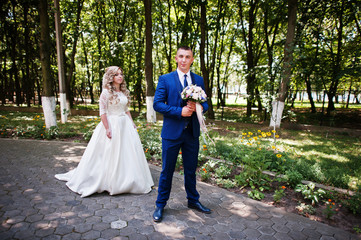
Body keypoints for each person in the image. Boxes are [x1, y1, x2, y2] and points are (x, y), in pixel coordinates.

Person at [55, 66, 154, 197]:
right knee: (110, 152)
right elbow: (103, 112)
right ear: (111, 77)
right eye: (116, 74)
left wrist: (132, 122)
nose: (120, 76)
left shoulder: (123, 92)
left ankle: (129, 179)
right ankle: (109, 180)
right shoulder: (105, 93)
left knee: (128, 152)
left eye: (121, 74)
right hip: (112, 124)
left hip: (125, 124)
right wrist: (107, 128)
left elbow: (126, 109)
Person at [152, 46, 211, 222]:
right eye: (181, 56)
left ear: (192, 59)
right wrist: (180, 111)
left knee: (191, 170)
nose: (184, 60)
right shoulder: (165, 79)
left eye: (188, 57)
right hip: (172, 133)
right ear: (176, 59)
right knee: (167, 170)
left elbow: (206, 105)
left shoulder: (198, 79)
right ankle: (160, 204)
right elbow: (157, 104)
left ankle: (193, 201)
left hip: (192, 132)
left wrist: (198, 107)